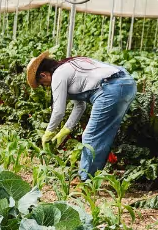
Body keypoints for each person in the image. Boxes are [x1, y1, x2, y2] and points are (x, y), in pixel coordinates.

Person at [26, 50, 137, 180]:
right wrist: (65, 130)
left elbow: (58, 111)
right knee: (103, 134)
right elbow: (80, 106)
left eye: (42, 84)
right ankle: (92, 177)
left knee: (91, 136)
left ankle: (85, 181)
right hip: (126, 83)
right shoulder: (69, 67)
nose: (46, 86)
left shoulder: (58, 74)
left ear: (43, 75)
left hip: (111, 88)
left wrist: (48, 133)